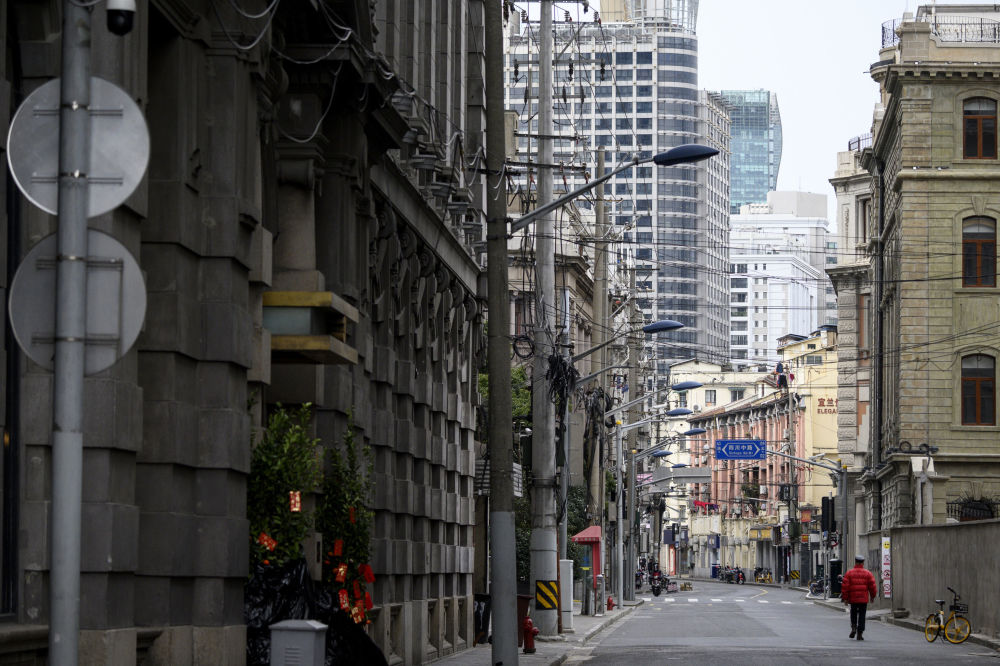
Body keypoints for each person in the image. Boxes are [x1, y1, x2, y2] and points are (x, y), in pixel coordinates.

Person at [840, 554, 877, 640]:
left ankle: (853, 628)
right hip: (863, 599)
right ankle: (860, 633)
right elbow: (872, 586)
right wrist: (872, 596)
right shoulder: (868, 573)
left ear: (855, 562)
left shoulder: (849, 573)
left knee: (853, 613)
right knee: (862, 615)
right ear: (863, 562)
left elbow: (845, 586)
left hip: (853, 598)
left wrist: (845, 598)